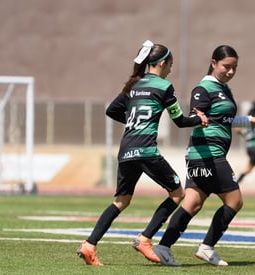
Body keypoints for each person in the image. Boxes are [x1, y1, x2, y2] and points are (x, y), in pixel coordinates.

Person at [76, 40, 208, 266]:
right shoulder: (165, 87)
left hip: (126, 150)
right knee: (177, 194)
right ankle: (145, 239)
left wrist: (134, 122)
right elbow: (180, 121)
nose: (170, 70)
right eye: (170, 65)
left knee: (121, 201)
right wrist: (200, 120)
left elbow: (112, 110)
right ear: (163, 63)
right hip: (146, 151)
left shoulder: (133, 85)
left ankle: (89, 245)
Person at [146, 45, 255, 266]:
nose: (231, 72)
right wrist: (197, 112)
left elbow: (223, 120)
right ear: (213, 63)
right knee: (235, 201)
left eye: (235, 68)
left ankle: (164, 247)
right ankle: (206, 247)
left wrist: (250, 120)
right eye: (226, 66)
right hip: (208, 154)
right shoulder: (203, 88)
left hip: (200, 155)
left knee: (192, 203)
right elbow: (198, 114)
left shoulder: (223, 88)